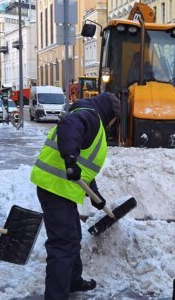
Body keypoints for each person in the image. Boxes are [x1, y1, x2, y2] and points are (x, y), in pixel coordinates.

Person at [30, 92, 120, 299]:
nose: (114, 124)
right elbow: (70, 126)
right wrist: (69, 159)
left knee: (72, 237)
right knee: (63, 244)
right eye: (115, 119)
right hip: (55, 188)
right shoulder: (89, 116)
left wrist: (95, 196)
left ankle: (73, 280)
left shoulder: (90, 118)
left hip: (59, 188)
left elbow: (84, 167)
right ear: (110, 114)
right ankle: (55, 295)